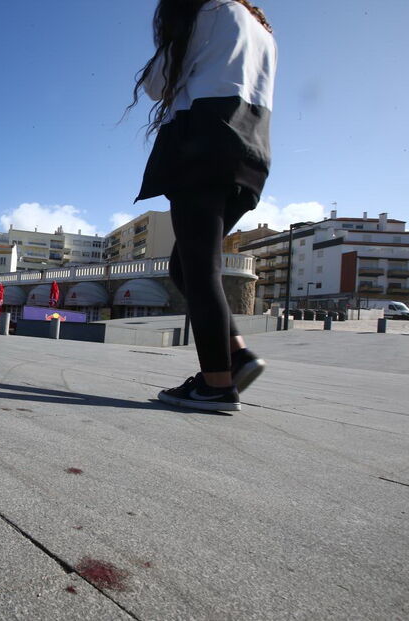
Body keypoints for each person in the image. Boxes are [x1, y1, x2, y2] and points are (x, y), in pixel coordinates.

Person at [130, 0, 276, 412]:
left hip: (205, 142)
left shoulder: (207, 13)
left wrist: (171, 38)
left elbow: (158, 84)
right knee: (186, 266)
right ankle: (237, 357)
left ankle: (216, 385)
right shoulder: (261, 28)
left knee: (199, 268)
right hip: (251, 151)